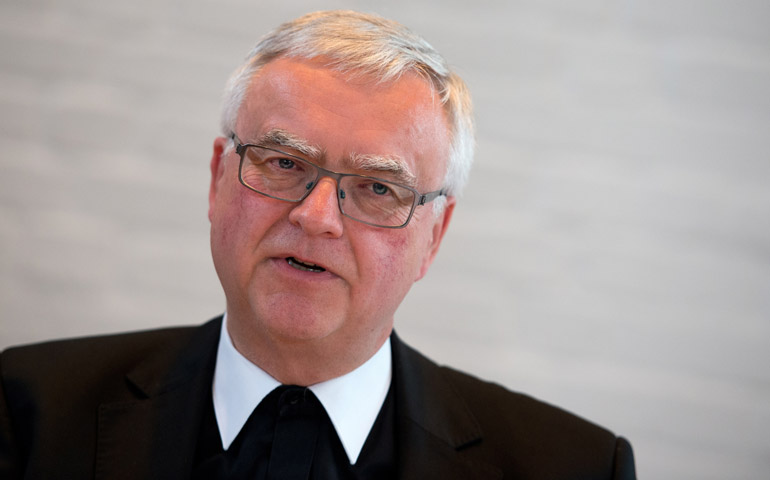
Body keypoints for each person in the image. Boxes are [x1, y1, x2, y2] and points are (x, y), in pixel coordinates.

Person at [0, 10, 636, 479]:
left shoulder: (574, 467)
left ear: (432, 238)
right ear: (219, 180)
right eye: (283, 163)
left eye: (377, 189)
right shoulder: (27, 410)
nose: (317, 217)